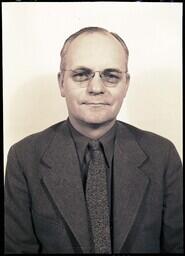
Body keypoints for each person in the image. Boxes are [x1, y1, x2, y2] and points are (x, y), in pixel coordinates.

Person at [5, 26, 183, 254]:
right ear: (61, 83)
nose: (96, 88)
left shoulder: (163, 155)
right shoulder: (24, 158)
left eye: (111, 76)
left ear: (126, 84)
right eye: (81, 74)